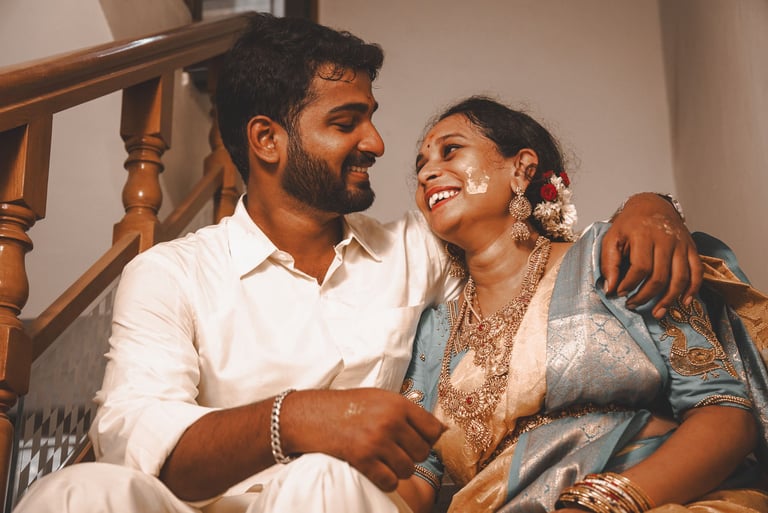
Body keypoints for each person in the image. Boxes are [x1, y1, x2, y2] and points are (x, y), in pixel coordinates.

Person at [13, 14, 701, 513]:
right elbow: (140, 441)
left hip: (336, 502)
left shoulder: (415, 249)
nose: (377, 140)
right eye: (346, 122)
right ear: (267, 141)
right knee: (71, 489)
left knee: (317, 481)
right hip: (195, 506)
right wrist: (298, 417)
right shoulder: (169, 273)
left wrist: (653, 203)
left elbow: (526, 241)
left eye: (370, 116)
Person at [395, 96, 768, 513]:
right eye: (420, 165)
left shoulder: (609, 257)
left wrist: (600, 502)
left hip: (662, 500)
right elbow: (415, 477)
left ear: (521, 169)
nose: (427, 173)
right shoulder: (435, 330)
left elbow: (725, 414)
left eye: (450, 150)